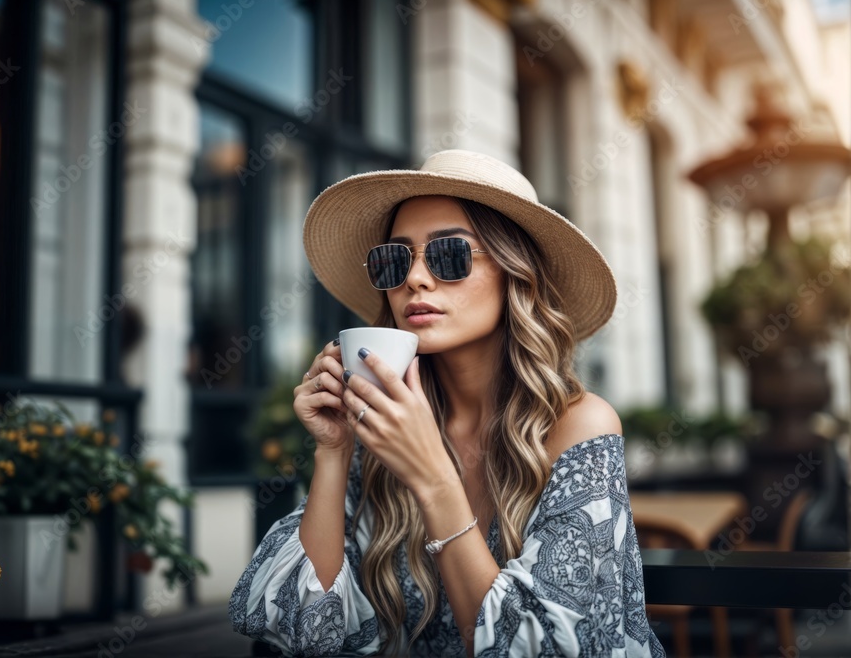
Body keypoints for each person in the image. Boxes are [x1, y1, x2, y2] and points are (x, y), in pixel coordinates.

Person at [229, 150, 666, 657]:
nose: (415, 278)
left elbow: (542, 649)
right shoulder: (383, 431)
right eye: (395, 259)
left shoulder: (580, 425)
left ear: (513, 273)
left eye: (450, 255)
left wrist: (433, 477)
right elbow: (303, 633)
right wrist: (333, 451)